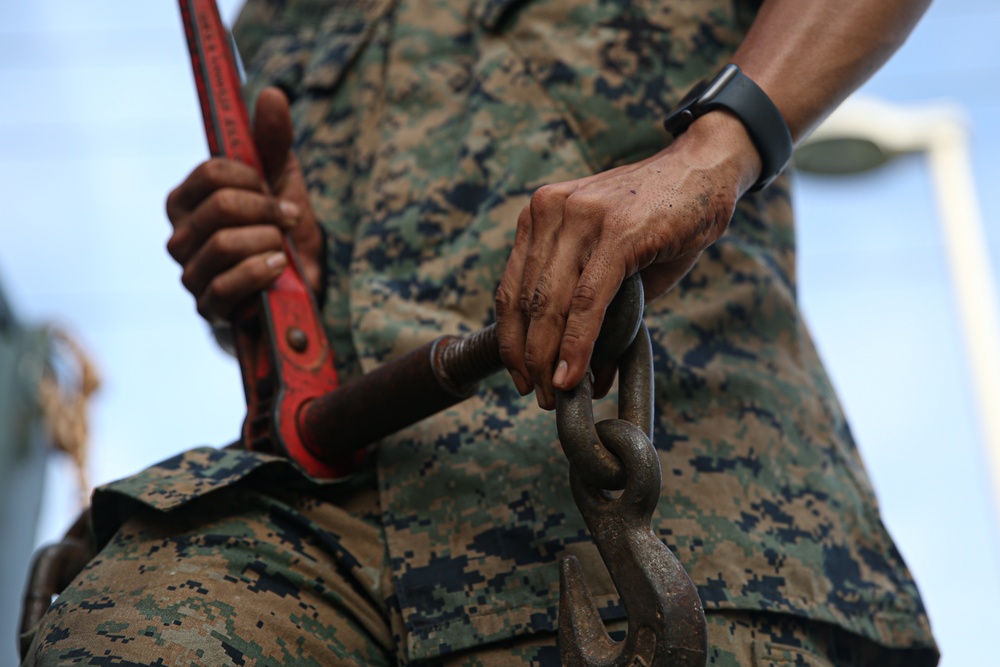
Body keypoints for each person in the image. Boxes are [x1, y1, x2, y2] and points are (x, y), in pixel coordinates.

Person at [21, 0, 940, 664]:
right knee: (117, 629)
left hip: (679, 514)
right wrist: (281, 284)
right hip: (336, 527)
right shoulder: (281, 20)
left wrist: (719, 145)